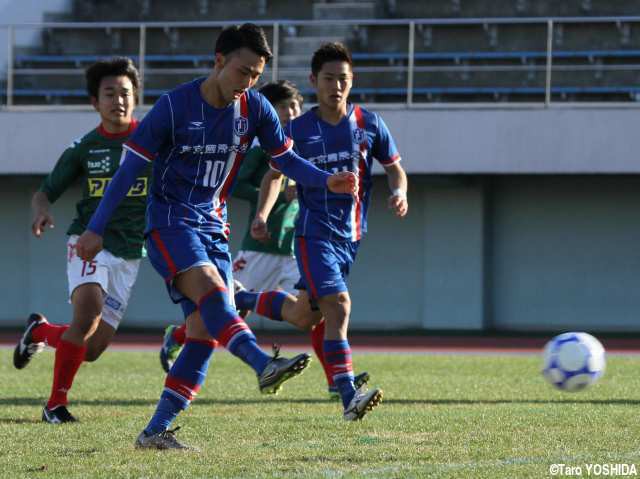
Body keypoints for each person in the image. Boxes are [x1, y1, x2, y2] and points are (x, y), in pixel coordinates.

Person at [74, 24, 357, 450]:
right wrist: (95, 227)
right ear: (219, 61)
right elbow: (128, 170)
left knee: (203, 333)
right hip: (170, 222)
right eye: (244, 72)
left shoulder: (255, 109)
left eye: (257, 75)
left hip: (214, 227)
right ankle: (262, 363)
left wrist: (325, 179)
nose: (250, 82)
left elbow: (286, 160)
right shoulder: (173, 107)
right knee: (212, 292)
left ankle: (155, 432)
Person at [158, 80, 370, 399]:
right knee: (219, 309)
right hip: (260, 247)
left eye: (296, 107)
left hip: (295, 246)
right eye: (284, 107)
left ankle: (335, 381)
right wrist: (265, 206)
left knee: (315, 311)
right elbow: (235, 185)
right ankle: (177, 337)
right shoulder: (260, 150)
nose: (292, 113)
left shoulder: (303, 144)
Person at [251, 42, 409, 421]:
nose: (336, 86)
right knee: (340, 306)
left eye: (343, 79)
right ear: (313, 81)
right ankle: (348, 395)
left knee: (306, 317)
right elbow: (274, 176)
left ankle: (240, 300)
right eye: (328, 79)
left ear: (351, 82)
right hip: (313, 233)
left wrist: (399, 191)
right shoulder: (298, 129)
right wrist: (262, 214)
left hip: (350, 237)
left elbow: (394, 167)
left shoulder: (369, 123)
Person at [13, 57, 148, 424]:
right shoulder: (84, 147)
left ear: (136, 98)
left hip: (131, 252)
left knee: (90, 349)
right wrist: (41, 210)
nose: (118, 100)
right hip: (89, 242)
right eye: (110, 93)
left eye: (125, 93)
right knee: (86, 315)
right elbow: (44, 191)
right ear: (94, 102)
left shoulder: (151, 141)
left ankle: (39, 331)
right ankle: (55, 404)